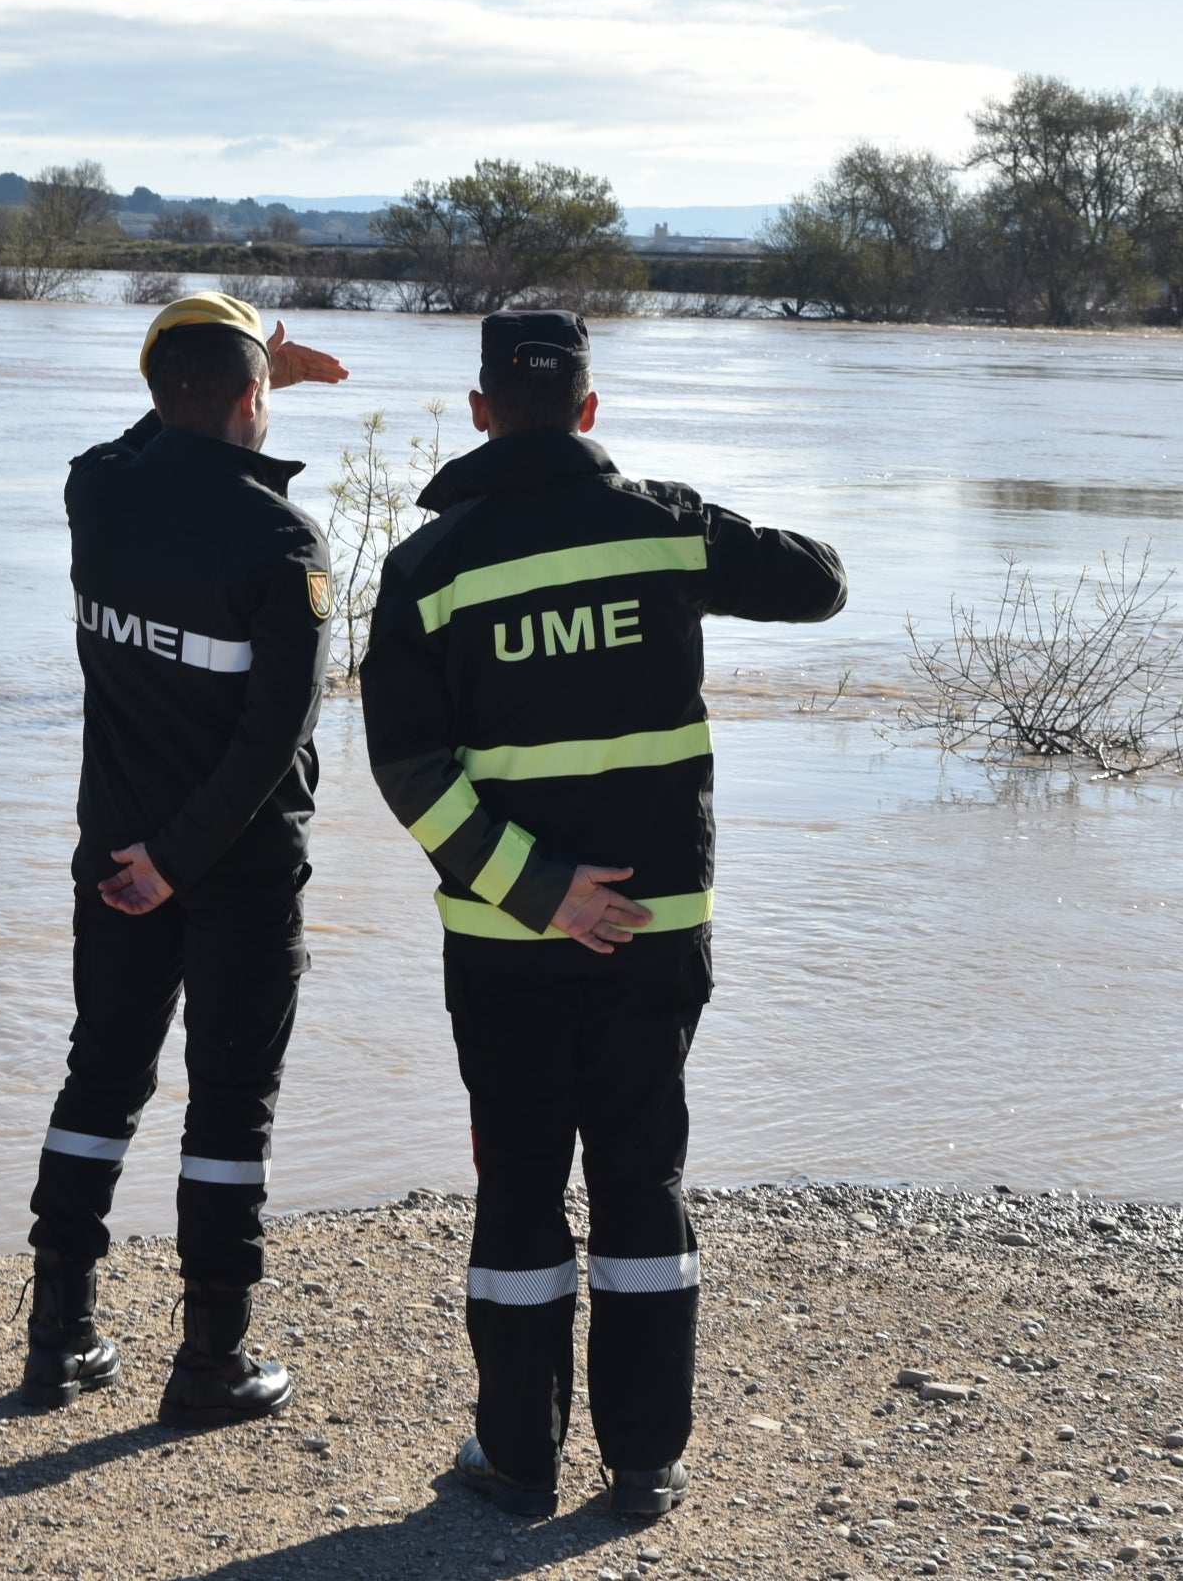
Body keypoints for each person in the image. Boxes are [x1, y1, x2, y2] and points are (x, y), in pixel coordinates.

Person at [358, 310, 847, 1516]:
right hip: (655, 928)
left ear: (479, 411)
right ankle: (645, 1458)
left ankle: (516, 1460)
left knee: (518, 1180)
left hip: (503, 937)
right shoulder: (664, 527)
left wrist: (538, 891)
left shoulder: (428, 567)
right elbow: (820, 582)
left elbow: (406, 766)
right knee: (640, 1174)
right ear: (588, 409)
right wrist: (674, 521)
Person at [22, 292, 348, 1427]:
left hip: (111, 852)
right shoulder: (280, 539)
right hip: (235, 864)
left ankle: (56, 1334)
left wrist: (234, 369)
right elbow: (276, 735)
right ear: (256, 397)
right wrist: (176, 861)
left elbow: (140, 433)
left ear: (161, 394)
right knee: (229, 1108)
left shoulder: (95, 490)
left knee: (100, 1077)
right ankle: (209, 1359)